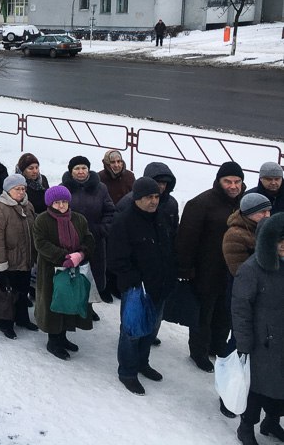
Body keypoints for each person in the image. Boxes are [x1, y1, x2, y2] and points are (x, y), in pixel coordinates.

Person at [109, 178, 177, 395]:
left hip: (159, 286)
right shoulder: (124, 221)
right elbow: (116, 260)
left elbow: (167, 248)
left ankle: (142, 362)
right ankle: (127, 371)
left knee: (150, 329)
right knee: (132, 331)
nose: (153, 201)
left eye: (156, 197)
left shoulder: (160, 218)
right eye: (149, 197)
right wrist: (135, 282)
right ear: (137, 198)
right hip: (137, 290)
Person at [176, 160, 245, 372]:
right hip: (205, 271)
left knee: (224, 313)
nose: (233, 186)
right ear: (218, 181)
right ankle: (199, 352)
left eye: (237, 181)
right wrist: (185, 269)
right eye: (228, 181)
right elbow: (186, 239)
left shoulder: (244, 203)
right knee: (203, 314)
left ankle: (217, 345)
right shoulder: (201, 203)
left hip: (231, 271)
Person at [232, 212, 284, 445]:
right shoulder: (251, 269)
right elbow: (240, 309)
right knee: (257, 389)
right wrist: (244, 343)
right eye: (280, 241)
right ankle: (246, 427)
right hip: (262, 343)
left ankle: (272, 421)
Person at [33, 185, 96, 360]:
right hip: (51, 270)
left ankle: (63, 337)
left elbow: (88, 238)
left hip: (75, 268)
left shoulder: (78, 219)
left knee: (70, 301)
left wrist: (80, 253)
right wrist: (63, 257)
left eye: (64, 202)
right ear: (50, 203)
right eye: (57, 202)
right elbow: (41, 244)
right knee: (54, 303)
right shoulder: (42, 220)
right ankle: (53, 341)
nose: (61, 205)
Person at [0, 174, 38, 340]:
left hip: (25, 260)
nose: (21, 192)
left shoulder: (28, 205)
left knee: (23, 291)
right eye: (17, 189)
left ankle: (22, 318)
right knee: (9, 294)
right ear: (8, 191)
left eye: (23, 188)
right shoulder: (1, 209)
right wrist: (0, 265)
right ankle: (5, 323)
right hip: (9, 261)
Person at [61, 156, 116, 306]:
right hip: (71, 242)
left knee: (93, 276)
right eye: (77, 168)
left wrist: (102, 229)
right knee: (73, 275)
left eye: (84, 168)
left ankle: (89, 307)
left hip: (95, 241)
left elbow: (110, 211)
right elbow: (57, 213)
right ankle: (74, 308)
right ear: (71, 171)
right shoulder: (63, 189)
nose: (81, 172)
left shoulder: (101, 188)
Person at [223, 193, 272, 279]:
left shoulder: (270, 228)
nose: (267, 215)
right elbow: (239, 270)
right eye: (262, 212)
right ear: (249, 213)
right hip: (251, 286)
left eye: (268, 211)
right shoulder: (234, 236)